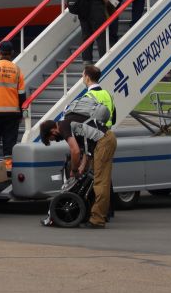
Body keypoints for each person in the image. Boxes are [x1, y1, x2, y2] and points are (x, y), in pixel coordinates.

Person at [38, 66, 116, 229]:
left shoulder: (64, 126)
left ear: (53, 131)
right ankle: (92, 213)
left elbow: (74, 151)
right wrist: (81, 168)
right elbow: (85, 149)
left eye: (52, 138)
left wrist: (74, 170)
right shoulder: (73, 124)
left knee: (100, 181)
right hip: (102, 140)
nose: (56, 140)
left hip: (104, 141)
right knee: (93, 178)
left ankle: (97, 220)